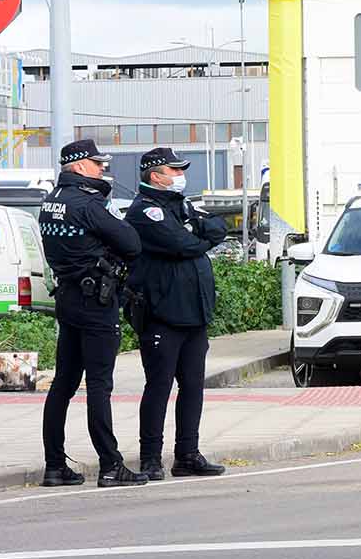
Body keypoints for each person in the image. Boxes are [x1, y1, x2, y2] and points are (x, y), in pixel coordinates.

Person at [39, 139, 148, 488]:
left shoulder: (51, 202)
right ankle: (111, 465)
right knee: (99, 385)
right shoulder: (87, 205)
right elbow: (131, 244)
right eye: (98, 164)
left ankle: (54, 465)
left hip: (68, 300)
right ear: (81, 166)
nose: (103, 169)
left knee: (63, 385)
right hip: (96, 303)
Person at [126, 147, 230, 480]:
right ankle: (150, 458)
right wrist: (197, 238)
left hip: (194, 315)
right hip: (162, 315)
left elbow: (217, 227)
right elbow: (182, 245)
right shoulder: (146, 211)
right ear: (156, 175)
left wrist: (196, 235)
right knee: (159, 386)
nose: (179, 175)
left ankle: (187, 454)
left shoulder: (180, 205)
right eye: (174, 170)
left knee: (193, 386)